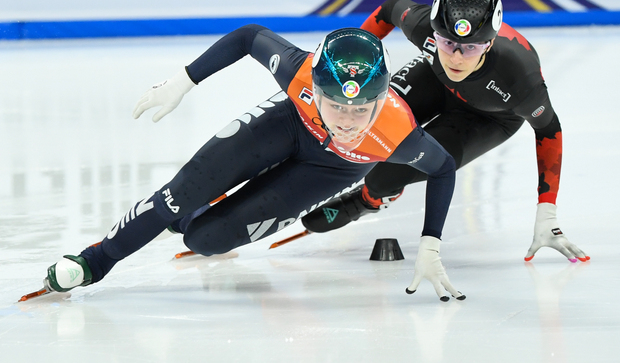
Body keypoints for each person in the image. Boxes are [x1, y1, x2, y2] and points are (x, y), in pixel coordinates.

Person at [37, 26, 465, 302]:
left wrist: (431, 242)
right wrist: (185, 80)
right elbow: (248, 37)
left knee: (205, 240)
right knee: (179, 194)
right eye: (336, 106)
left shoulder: (398, 132)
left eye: (362, 110)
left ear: (382, 97)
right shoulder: (297, 72)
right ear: (314, 90)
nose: (348, 122)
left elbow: (443, 169)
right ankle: (95, 261)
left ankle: (194, 217)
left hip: (333, 169)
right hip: (288, 124)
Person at [299, 0, 589, 263]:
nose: (457, 58)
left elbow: (549, 130)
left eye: (472, 47)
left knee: (386, 175)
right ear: (435, 32)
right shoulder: (422, 25)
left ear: (489, 44)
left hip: (488, 117)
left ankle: (367, 199)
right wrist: (353, 64)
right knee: (362, 120)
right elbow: (389, 9)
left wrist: (546, 212)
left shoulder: (518, 77)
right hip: (434, 79)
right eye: (447, 42)